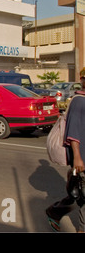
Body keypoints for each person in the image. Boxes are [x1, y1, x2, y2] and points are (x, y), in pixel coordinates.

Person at [46, 68, 85, 232]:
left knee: (78, 193)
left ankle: (55, 211)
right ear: (83, 79)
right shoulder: (79, 101)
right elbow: (73, 132)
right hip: (82, 156)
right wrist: (77, 157)